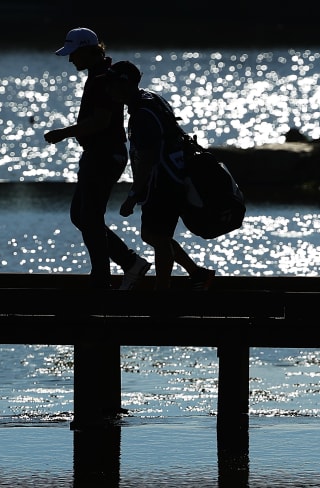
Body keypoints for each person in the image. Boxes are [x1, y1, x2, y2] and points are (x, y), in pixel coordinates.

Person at [43, 27, 151, 290]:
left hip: (104, 156)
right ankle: (129, 262)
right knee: (82, 216)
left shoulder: (103, 79)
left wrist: (63, 133)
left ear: (89, 51)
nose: (70, 60)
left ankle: (102, 278)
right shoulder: (100, 75)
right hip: (100, 154)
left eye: (74, 54)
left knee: (88, 217)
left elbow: (101, 121)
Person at [109, 61, 216, 291]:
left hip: (164, 183)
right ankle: (197, 274)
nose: (110, 89)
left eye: (113, 84)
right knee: (154, 235)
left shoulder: (141, 116)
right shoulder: (151, 98)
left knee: (157, 237)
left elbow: (148, 159)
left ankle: (162, 292)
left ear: (125, 85)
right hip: (173, 178)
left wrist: (133, 195)